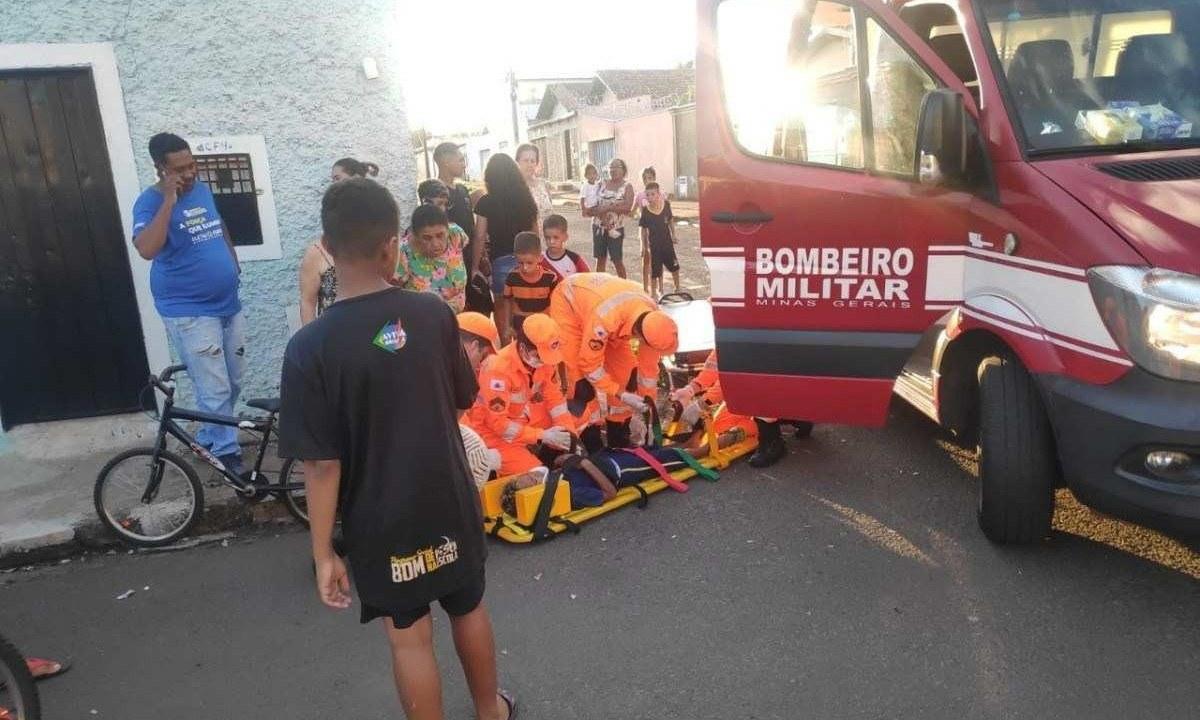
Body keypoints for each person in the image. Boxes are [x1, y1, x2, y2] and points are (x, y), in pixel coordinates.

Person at [279, 178, 515, 720]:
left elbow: (320, 464)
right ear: (394, 244)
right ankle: (491, 712)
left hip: (381, 520)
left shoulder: (308, 347)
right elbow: (460, 401)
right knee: (469, 608)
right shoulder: (433, 314)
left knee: (408, 637)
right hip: (448, 499)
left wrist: (323, 554)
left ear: (328, 248)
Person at [131, 133, 246, 475]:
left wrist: (232, 259)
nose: (190, 173)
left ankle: (211, 436)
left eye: (192, 164)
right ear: (160, 169)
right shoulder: (148, 202)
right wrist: (169, 199)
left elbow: (217, 222)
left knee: (234, 378)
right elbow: (146, 249)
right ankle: (227, 456)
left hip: (228, 302)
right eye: (180, 169)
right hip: (190, 310)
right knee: (215, 385)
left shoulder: (203, 189)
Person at [547, 273, 678, 449]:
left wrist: (650, 414)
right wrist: (620, 393)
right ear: (640, 335)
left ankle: (619, 433)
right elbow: (589, 365)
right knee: (581, 387)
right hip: (570, 309)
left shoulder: (653, 321)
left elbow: (648, 372)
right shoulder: (605, 318)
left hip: (610, 318)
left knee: (627, 376)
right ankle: (591, 439)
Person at [466, 313, 573, 476]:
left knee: (572, 425)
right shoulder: (498, 370)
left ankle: (542, 449)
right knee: (538, 474)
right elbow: (498, 424)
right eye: (540, 357)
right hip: (491, 433)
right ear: (523, 348)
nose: (545, 362)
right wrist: (541, 436)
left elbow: (556, 401)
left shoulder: (544, 361)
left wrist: (569, 435)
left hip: (517, 419)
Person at [671, 350, 812, 468]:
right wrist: (690, 389)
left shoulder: (758, 332)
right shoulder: (730, 330)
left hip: (775, 389)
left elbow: (730, 383)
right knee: (720, 426)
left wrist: (703, 402)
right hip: (747, 393)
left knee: (762, 410)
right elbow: (714, 366)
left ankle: (780, 434)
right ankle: (793, 418)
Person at [300, 159, 381, 325]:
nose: (333, 185)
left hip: (377, 336)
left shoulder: (381, 241)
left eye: (337, 178)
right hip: (333, 341)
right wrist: (310, 345)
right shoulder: (318, 251)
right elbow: (307, 303)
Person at [472, 154, 539, 340]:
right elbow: (535, 234)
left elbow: (479, 236)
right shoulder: (526, 200)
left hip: (500, 262)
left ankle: (506, 350)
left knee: (502, 307)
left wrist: (475, 267)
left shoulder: (486, 202)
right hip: (527, 261)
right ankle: (527, 346)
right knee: (526, 307)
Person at [396, 205, 469, 313]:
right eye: (427, 238)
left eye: (440, 235)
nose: (435, 244)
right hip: (424, 319)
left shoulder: (456, 235)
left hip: (458, 316)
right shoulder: (403, 252)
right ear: (415, 236)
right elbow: (395, 292)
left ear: (447, 230)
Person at [502, 232, 559, 342]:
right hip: (520, 323)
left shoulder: (550, 278)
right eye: (520, 262)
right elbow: (507, 302)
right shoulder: (512, 277)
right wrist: (507, 326)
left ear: (540, 258)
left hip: (543, 322)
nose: (525, 267)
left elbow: (556, 304)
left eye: (529, 263)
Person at [584, 158, 634, 278]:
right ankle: (600, 286)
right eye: (610, 167)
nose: (613, 170)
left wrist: (607, 208)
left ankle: (624, 287)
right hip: (598, 226)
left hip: (616, 229)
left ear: (623, 170)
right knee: (600, 259)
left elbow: (627, 208)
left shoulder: (627, 186)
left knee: (617, 260)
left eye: (616, 167)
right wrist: (601, 214)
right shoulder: (601, 183)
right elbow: (591, 203)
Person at [638, 182, 680, 297]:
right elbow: (643, 230)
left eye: (652, 194)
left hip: (667, 243)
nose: (650, 197)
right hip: (654, 246)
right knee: (655, 271)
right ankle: (653, 294)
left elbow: (670, 220)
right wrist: (643, 246)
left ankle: (677, 288)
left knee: (674, 266)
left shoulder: (666, 205)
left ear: (658, 194)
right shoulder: (645, 211)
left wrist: (674, 234)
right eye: (648, 195)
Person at [540, 214, 589, 281]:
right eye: (548, 238)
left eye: (556, 237)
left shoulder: (575, 259)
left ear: (565, 237)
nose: (552, 241)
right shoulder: (539, 258)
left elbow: (588, 279)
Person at [516, 143, 555, 225]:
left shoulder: (544, 185)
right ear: (517, 162)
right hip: (527, 236)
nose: (529, 164)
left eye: (532, 161)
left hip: (547, 235)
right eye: (526, 160)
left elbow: (551, 213)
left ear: (536, 163)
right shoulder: (514, 187)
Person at [633, 167, 657, 292]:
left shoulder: (659, 194)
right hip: (644, 231)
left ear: (654, 178)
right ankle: (645, 288)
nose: (647, 180)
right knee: (645, 258)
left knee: (656, 260)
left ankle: (655, 289)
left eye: (650, 178)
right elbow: (632, 211)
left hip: (658, 231)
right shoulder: (640, 195)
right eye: (645, 178)